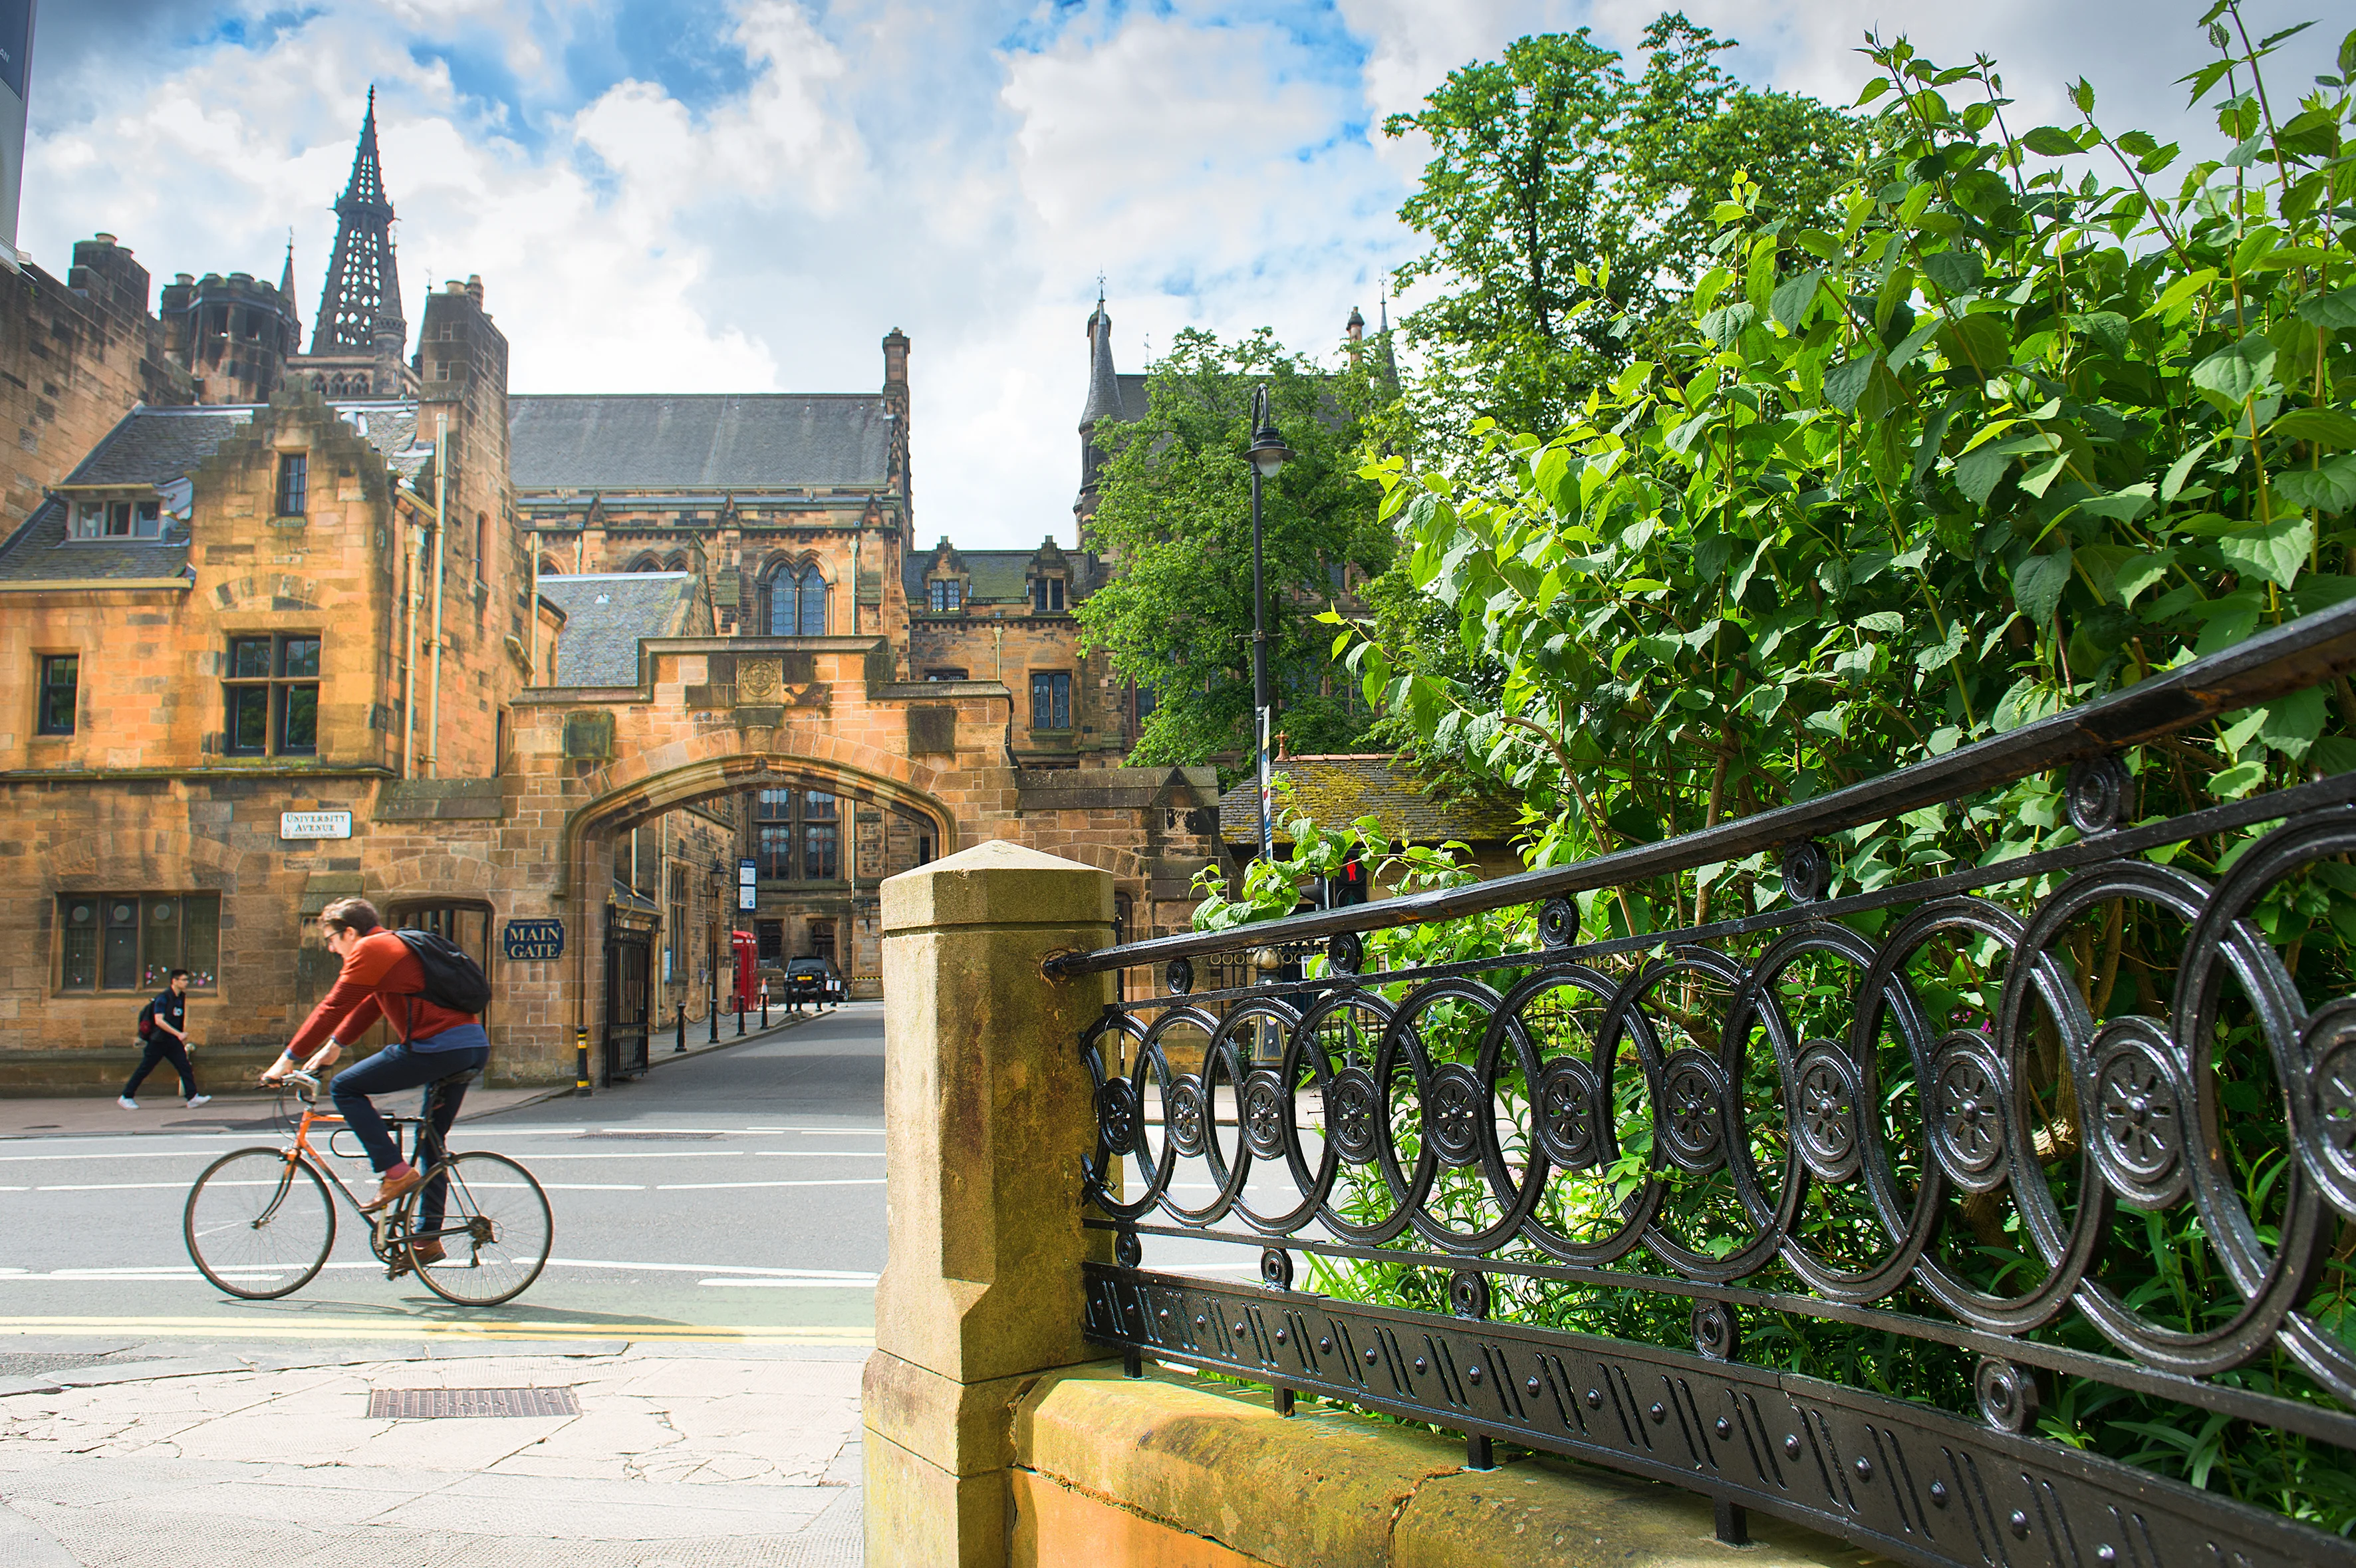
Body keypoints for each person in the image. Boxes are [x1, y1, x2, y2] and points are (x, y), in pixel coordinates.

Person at [259, 898, 487, 1255]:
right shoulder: (394, 946)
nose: (333, 949)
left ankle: (394, 1172)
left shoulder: (371, 948)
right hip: (470, 1046)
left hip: (436, 1047)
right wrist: (334, 1046)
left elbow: (333, 1006)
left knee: (346, 1087)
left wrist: (288, 1059)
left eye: (332, 939)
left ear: (350, 931)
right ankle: (428, 1240)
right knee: (431, 1142)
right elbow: (370, 1004)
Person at [119, 969, 209, 1110]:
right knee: (145, 1068)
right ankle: (126, 1096)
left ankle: (192, 1097)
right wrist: (178, 1034)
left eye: (187, 980)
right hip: (159, 1041)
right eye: (183, 980)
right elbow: (159, 1020)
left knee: (184, 1066)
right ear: (174, 981)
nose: (186, 983)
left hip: (172, 1041)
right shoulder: (163, 998)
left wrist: (177, 1036)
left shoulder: (180, 997)